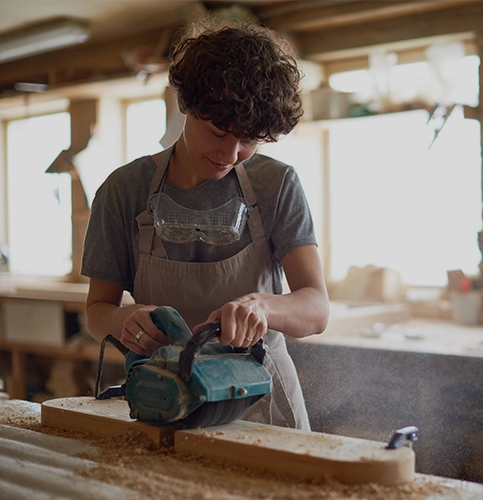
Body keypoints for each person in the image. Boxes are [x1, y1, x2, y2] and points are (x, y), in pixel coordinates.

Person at [82, 23, 326, 431]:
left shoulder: (276, 184)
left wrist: (262, 306)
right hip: (166, 394)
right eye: (218, 132)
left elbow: (316, 309)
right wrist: (123, 321)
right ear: (185, 104)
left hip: (260, 403)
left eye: (249, 140)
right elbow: (96, 312)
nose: (231, 154)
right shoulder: (124, 190)